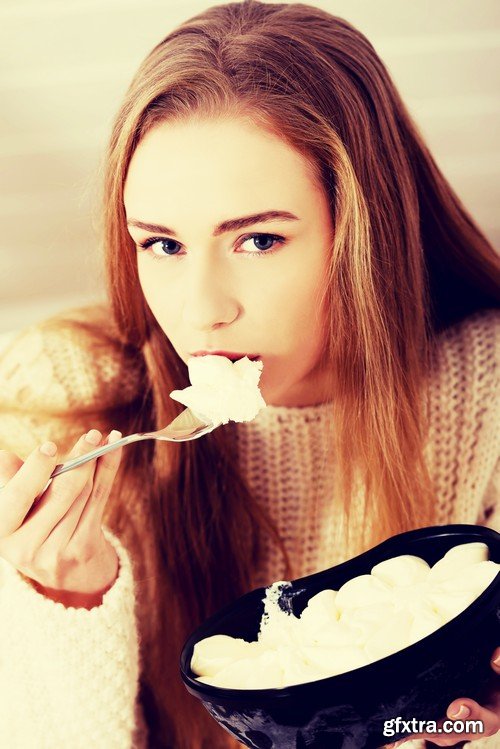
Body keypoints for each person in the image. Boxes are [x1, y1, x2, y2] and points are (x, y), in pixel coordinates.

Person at [0, 1, 498, 747]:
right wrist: (68, 597)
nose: (200, 310)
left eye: (258, 239)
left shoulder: (485, 397)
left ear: (363, 232)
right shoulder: (66, 394)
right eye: (162, 245)